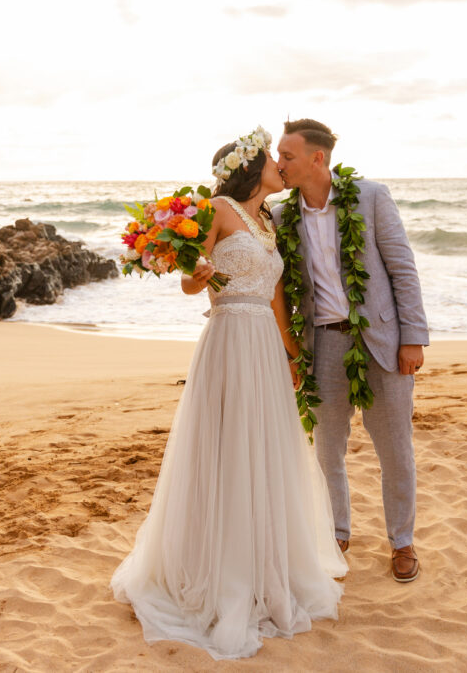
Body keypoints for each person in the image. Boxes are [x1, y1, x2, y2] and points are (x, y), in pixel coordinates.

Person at [110, 126, 346, 660]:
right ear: (249, 168)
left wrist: (291, 354)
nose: (279, 165)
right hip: (228, 339)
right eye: (272, 159)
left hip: (263, 341)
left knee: (264, 449)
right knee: (225, 446)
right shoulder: (217, 207)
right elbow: (189, 279)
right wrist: (199, 277)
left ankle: (267, 564)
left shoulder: (268, 221)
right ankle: (220, 571)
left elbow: (279, 293)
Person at [273, 118, 429, 583]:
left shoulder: (371, 197)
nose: (279, 164)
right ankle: (336, 534)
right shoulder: (282, 217)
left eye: (287, 156)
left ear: (316, 158)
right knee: (328, 451)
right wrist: (291, 352)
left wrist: (412, 337)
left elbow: (403, 267)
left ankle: (402, 542)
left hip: (381, 340)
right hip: (322, 342)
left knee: (395, 451)